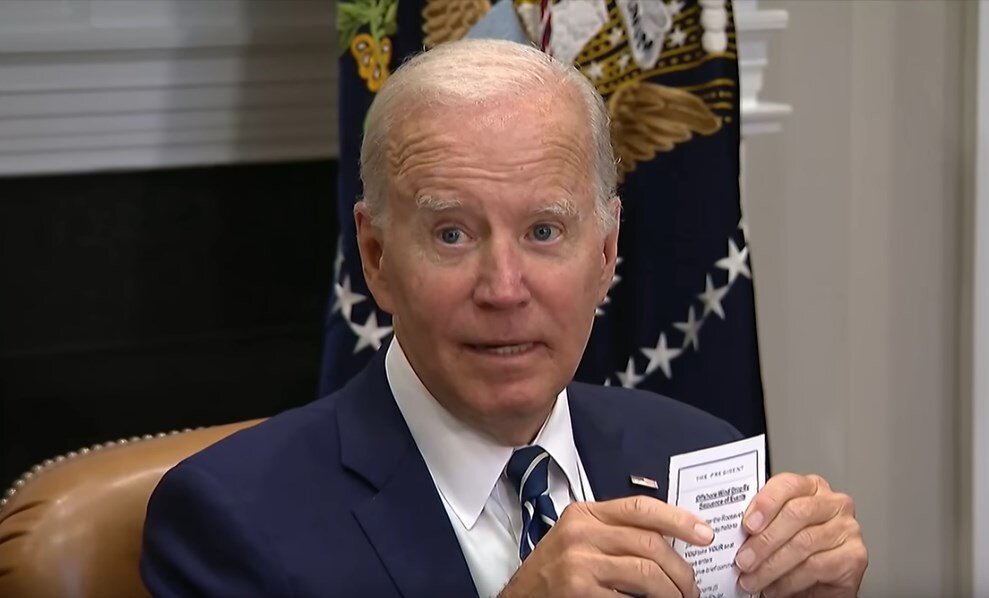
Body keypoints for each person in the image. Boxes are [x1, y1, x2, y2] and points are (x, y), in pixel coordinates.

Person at [141, 39, 867, 597]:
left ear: (606, 253)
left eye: (544, 231)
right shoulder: (233, 519)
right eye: (452, 233)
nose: (503, 288)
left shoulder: (692, 449)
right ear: (376, 257)